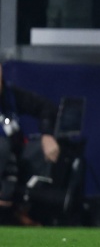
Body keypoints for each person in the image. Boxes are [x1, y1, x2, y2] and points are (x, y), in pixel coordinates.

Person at [0, 61, 59, 225]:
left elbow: (46, 107)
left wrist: (47, 135)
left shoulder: (10, 95)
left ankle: (21, 208)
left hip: (14, 160)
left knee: (40, 148)